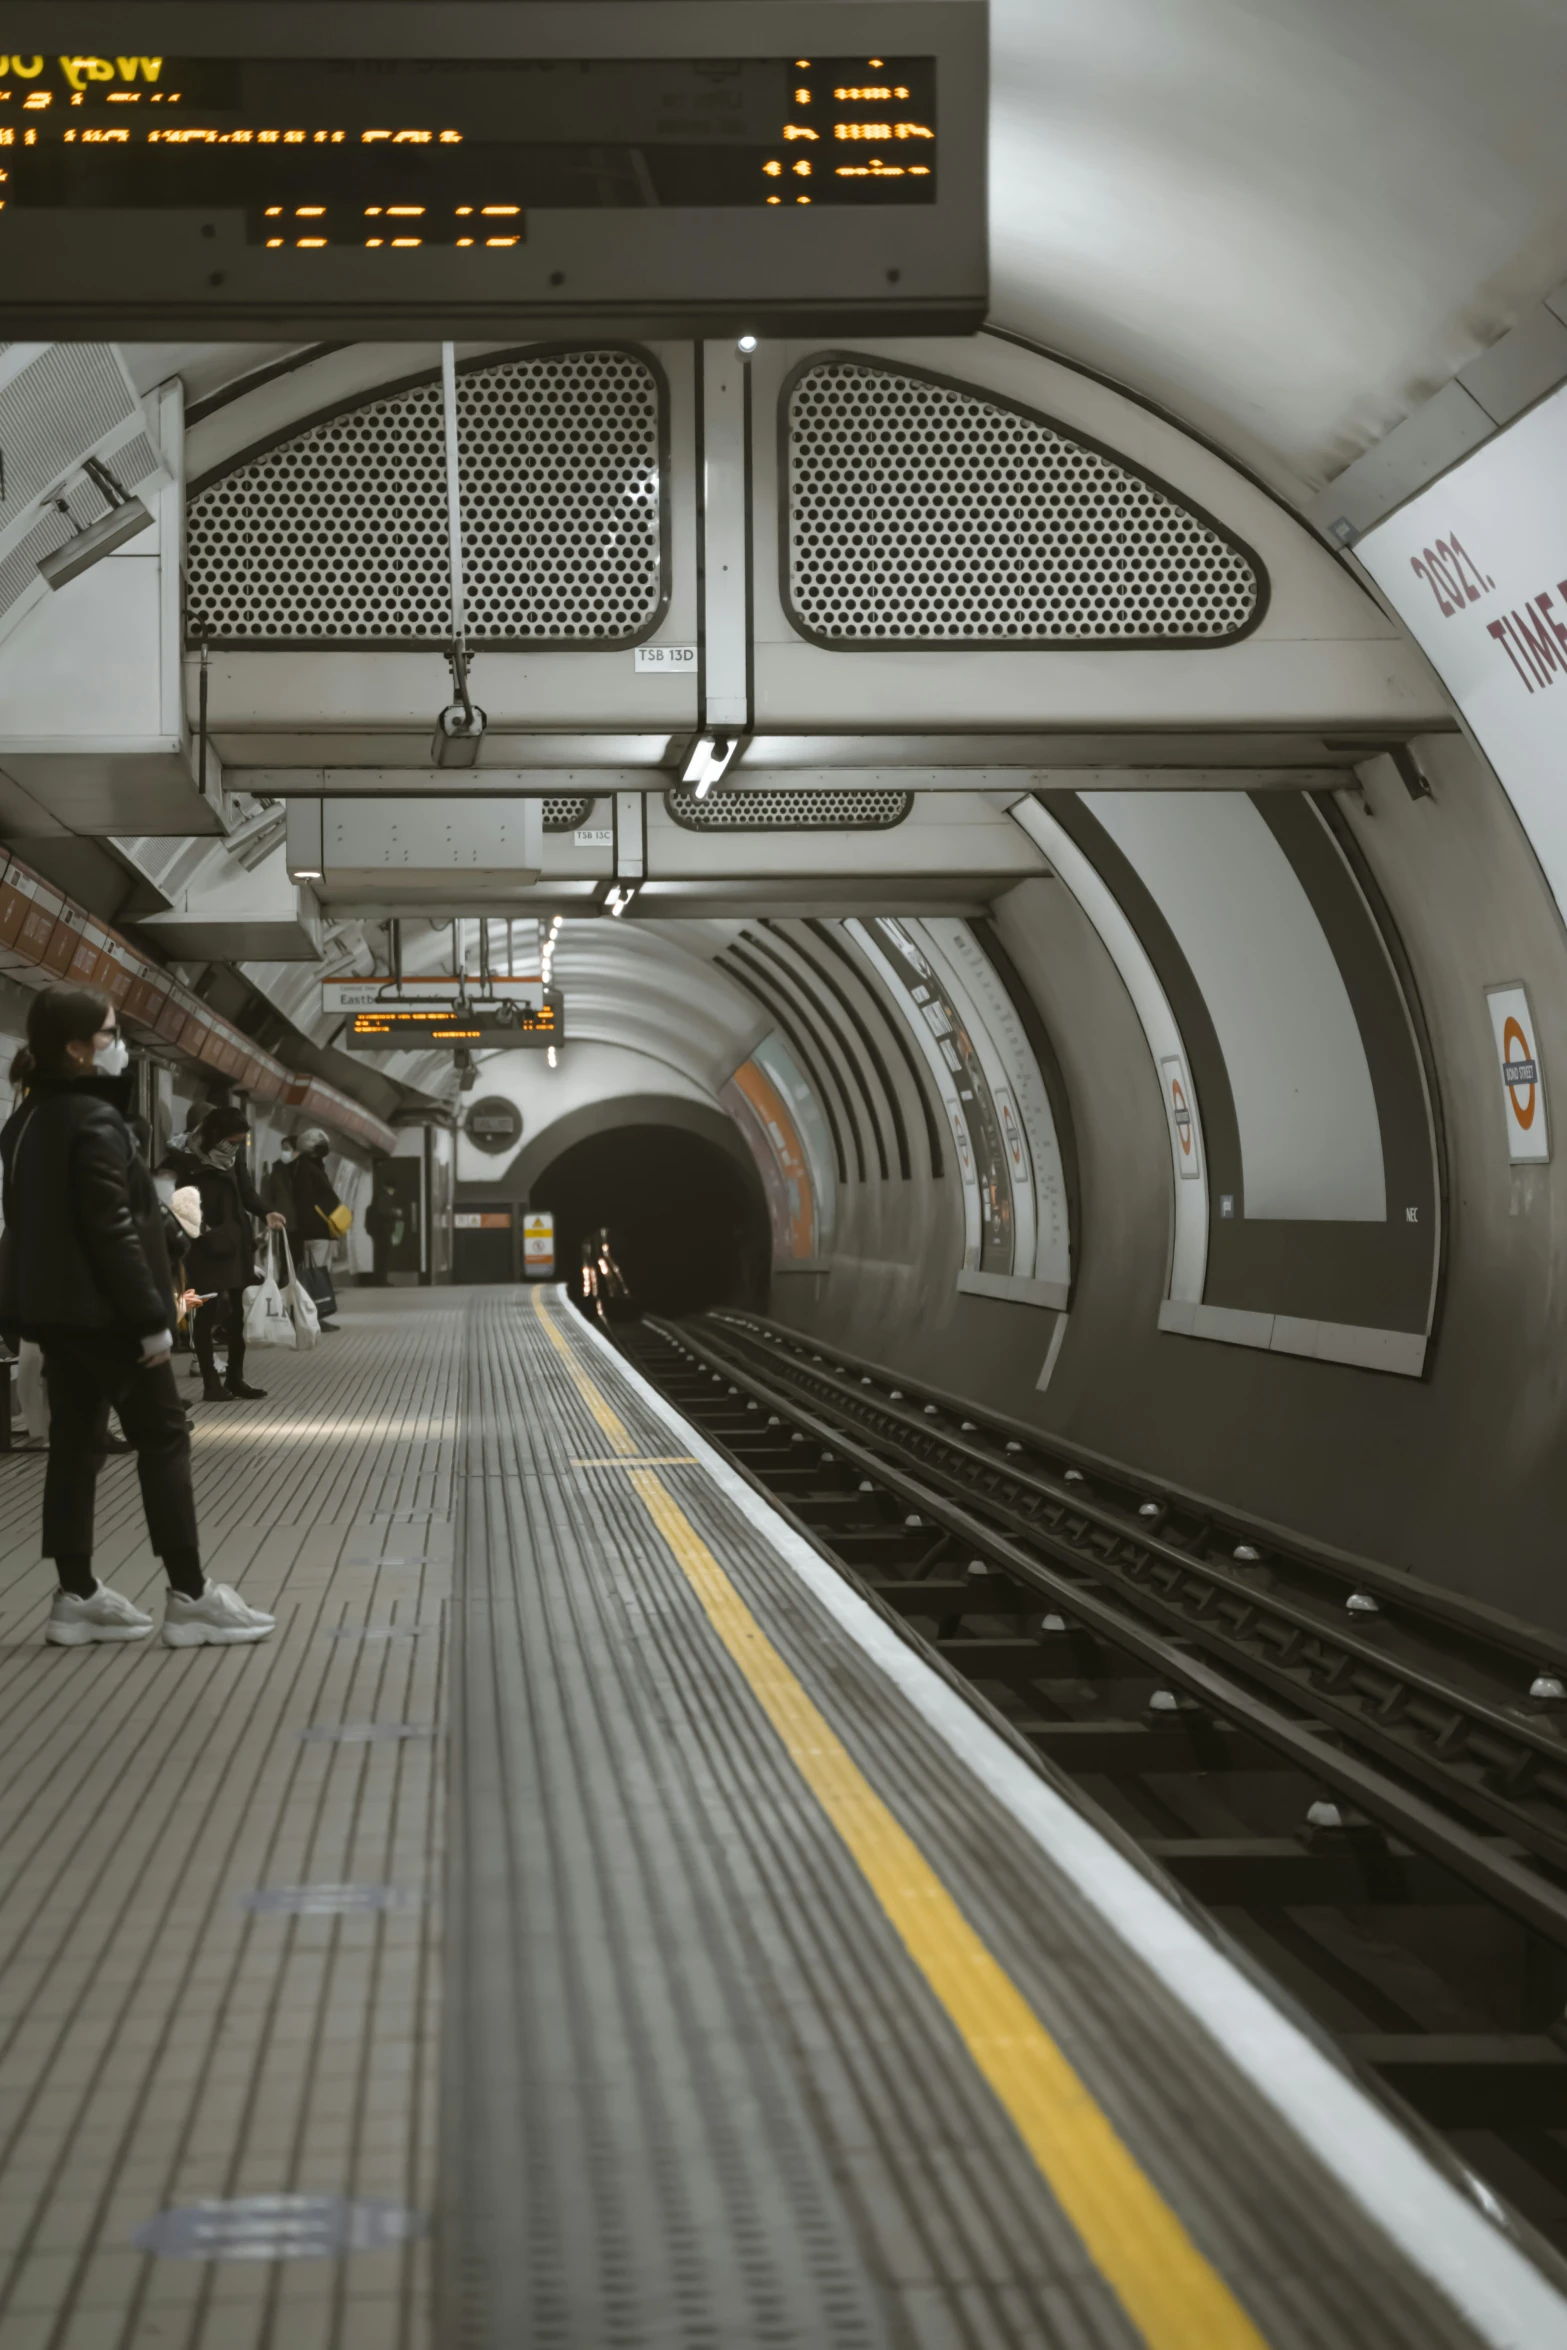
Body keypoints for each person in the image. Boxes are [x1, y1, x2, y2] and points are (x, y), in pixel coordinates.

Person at [0, 984, 275, 1648]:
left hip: (57, 1315)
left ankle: (78, 1594)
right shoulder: (93, 1122)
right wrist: (152, 1317)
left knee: (75, 1442)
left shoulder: (27, 1120)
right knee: (165, 1436)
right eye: (109, 1034)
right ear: (74, 1048)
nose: (119, 1044)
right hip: (110, 1317)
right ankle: (191, 1595)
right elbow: (111, 1230)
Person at [169, 1104, 287, 1403]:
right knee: (205, 1315)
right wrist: (204, 1230)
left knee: (236, 1317)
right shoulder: (183, 1160)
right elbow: (176, 1204)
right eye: (231, 1142)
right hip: (204, 1247)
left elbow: (247, 1192)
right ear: (215, 1135)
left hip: (236, 1246)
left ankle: (235, 1378)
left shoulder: (233, 1158)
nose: (234, 1148)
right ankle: (211, 1383)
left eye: (239, 1143)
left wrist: (268, 1211)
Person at [288, 1127, 346, 1331]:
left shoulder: (311, 1166)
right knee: (314, 1275)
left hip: (321, 1231)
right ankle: (311, 1317)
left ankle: (315, 1314)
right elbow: (306, 1202)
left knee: (317, 1273)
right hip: (314, 1231)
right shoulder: (306, 1168)